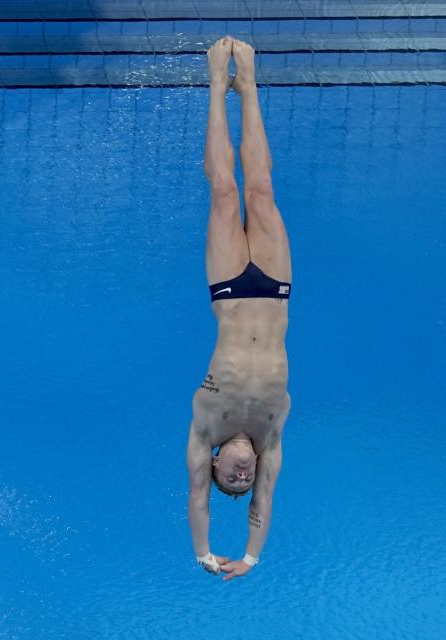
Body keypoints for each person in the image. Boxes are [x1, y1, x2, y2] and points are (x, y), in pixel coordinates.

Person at [185, 37, 292, 581]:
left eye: (234, 476)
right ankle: (247, 85)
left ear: (215, 463)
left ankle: (213, 84)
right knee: (263, 191)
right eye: (245, 480)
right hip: (274, 290)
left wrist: (205, 554)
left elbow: (199, 500)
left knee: (226, 191)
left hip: (228, 288)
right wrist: (249, 557)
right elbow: (264, 503)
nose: (245, 473)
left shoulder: (205, 428)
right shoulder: (272, 433)